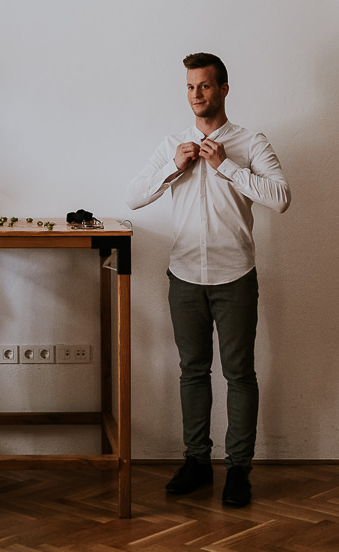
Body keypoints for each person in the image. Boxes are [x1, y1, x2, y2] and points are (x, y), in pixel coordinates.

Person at [126, 52, 290, 508]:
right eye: (190, 86)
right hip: (184, 277)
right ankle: (197, 462)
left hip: (235, 276)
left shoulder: (250, 142)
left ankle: (238, 470)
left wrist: (228, 167)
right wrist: (172, 167)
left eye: (204, 85)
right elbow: (133, 196)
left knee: (239, 374)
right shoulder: (172, 144)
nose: (196, 94)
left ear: (223, 89)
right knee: (192, 371)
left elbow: (281, 198)